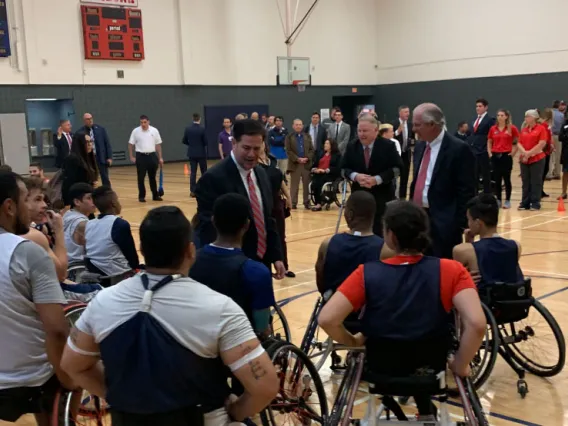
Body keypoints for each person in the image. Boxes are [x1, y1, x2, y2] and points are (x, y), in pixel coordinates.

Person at [60, 206, 279, 425]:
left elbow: (72, 364)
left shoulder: (103, 301)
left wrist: (122, 399)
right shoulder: (220, 308)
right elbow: (265, 387)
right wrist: (235, 413)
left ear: (142, 250)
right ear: (191, 251)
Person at [318, 200, 486, 420]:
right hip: (430, 367)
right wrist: (461, 364)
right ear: (424, 232)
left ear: (390, 236)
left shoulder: (366, 273)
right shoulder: (451, 270)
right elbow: (477, 324)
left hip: (379, 368)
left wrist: (353, 342)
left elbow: (327, 319)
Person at [0, 171, 73, 426]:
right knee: (75, 369)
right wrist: (69, 376)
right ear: (10, 207)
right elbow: (56, 330)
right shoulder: (27, 251)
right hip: (29, 378)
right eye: (24, 200)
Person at [195, 119, 286, 279]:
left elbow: (267, 219)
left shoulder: (262, 174)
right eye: (246, 148)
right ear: (234, 143)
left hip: (260, 265)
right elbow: (208, 228)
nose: (252, 154)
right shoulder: (213, 179)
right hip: (229, 270)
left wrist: (276, 256)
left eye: (256, 148)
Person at [190, 193, 276, 335]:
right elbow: (262, 328)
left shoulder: (190, 260)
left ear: (213, 221)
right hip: (239, 346)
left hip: (197, 340)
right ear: (247, 225)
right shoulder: (256, 271)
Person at [410, 103, 476, 259]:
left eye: (417, 125)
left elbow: (466, 190)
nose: (414, 129)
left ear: (432, 124)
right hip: (418, 219)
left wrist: (459, 225)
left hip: (444, 223)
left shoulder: (458, 149)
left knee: (443, 269)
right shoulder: (420, 147)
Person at [315, 191, 393, 295]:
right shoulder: (386, 250)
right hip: (369, 309)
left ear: (350, 214)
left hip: (333, 306)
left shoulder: (328, 243)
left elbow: (321, 280)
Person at [341, 114, 402, 237]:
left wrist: (378, 179)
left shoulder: (388, 146)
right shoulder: (352, 146)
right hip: (359, 199)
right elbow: (342, 169)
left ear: (375, 130)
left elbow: (398, 168)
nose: (361, 134)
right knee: (359, 235)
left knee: (380, 235)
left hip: (382, 198)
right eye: (359, 130)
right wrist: (355, 176)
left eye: (365, 131)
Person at [453, 194, 523, 291]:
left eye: (469, 219)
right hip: (511, 303)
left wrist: (467, 243)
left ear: (478, 223)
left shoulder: (461, 250)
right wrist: (469, 243)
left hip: (482, 303)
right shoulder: (516, 246)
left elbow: (455, 283)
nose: (468, 223)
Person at [258, 139, 294, 277]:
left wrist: (288, 198)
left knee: (280, 235)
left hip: (277, 202)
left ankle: (284, 266)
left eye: (261, 143)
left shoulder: (272, 160)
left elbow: (281, 180)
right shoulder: (254, 164)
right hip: (263, 202)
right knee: (266, 235)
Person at [84, 186, 139, 278]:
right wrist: (136, 268)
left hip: (93, 270)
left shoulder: (89, 223)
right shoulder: (119, 224)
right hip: (115, 273)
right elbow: (131, 256)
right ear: (113, 203)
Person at [487, 109, 519, 209]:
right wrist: (489, 153)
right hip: (495, 156)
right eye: (498, 115)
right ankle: (498, 199)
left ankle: (508, 200)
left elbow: (518, 141)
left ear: (506, 117)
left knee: (506, 179)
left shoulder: (512, 128)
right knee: (497, 179)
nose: (499, 117)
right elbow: (489, 141)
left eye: (502, 115)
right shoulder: (493, 128)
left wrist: (513, 152)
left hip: (506, 156)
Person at [128, 115, 164, 203]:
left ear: (148, 122)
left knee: (152, 177)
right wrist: (131, 156)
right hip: (141, 156)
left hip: (152, 156)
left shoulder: (154, 131)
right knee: (141, 178)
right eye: (141, 122)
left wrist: (160, 158)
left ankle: (155, 195)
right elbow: (130, 144)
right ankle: (141, 196)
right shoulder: (135, 131)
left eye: (145, 122)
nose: (143, 124)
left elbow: (158, 145)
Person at [517, 109, 547, 211]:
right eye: (525, 116)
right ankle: (524, 202)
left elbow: (542, 143)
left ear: (534, 117)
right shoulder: (524, 129)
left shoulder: (541, 129)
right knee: (525, 181)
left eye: (528, 116)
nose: (526, 118)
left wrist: (529, 153)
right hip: (524, 159)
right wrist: (524, 153)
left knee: (536, 181)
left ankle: (535, 203)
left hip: (537, 158)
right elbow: (519, 142)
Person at [62, 132, 99, 207]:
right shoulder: (73, 159)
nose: (89, 145)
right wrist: (67, 203)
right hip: (78, 200)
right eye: (86, 142)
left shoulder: (89, 158)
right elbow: (68, 183)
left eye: (90, 142)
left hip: (87, 198)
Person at [285, 118, 315, 209]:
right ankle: (293, 203)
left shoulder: (307, 136)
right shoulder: (289, 137)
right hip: (295, 164)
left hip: (306, 164)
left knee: (307, 184)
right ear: (293, 126)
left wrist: (307, 158)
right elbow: (288, 151)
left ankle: (307, 202)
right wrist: (297, 159)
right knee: (294, 185)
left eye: (300, 124)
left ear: (302, 126)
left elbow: (311, 149)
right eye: (296, 124)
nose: (298, 126)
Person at [467, 98, 496, 194]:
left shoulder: (490, 120)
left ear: (486, 107)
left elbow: (492, 136)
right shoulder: (474, 120)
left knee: (485, 174)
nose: (477, 108)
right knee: (474, 174)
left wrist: (489, 150)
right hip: (474, 150)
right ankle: (475, 194)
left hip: (483, 150)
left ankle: (488, 194)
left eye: (480, 106)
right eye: (477, 106)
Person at [77, 113, 113, 187]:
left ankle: (107, 191)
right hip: (89, 159)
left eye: (91, 118)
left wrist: (109, 157)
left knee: (105, 177)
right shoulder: (80, 132)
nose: (90, 120)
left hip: (100, 157)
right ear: (84, 120)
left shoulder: (100, 129)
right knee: (90, 177)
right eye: (88, 119)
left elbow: (107, 144)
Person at [63, 183, 95, 265]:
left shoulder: (68, 214)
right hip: (77, 269)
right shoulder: (82, 224)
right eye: (89, 198)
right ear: (77, 202)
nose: (94, 201)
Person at [311, 138, 341, 211]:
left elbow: (338, 167)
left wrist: (325, 171)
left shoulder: (337, 155)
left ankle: (319, 203)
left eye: (327, 143)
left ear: (332, 145)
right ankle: (319, 201)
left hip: (330, 174)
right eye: (325, 143)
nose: (325, 145)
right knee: (314, 183)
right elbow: (315, 164)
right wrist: (315, 170)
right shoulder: (321, 153)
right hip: (319, 173)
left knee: (318, 182)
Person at [183, 113, 209, 198]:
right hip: (201, 153)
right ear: (199, 119)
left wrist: (191, 145)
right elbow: (205, 142)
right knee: (204, 172)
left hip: (192, 153)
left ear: (192, 118)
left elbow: (184, 140)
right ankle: (204, 189)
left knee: (193, 173)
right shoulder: (202, 129)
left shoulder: (188, 129)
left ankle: (193, 191)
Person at [391, 105, 413, 199]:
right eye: (405, 112)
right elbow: (389, 137)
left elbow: (412, 137)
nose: (407, 114)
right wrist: (397, 132)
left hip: (406, 153)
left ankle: (402, 197)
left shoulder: (410, 124)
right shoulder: (394, 123)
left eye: (408, 112)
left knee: (405, 176)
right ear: (400, 113)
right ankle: (393, 196)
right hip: (396, 154)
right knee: (395, 176)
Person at [540, 108, 554, 198]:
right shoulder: (544, 125)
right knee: (542, 171)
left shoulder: (547, 125)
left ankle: (540, 190)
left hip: (547, 150)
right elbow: (545, 138)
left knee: (544, 171)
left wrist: (551, 144)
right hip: (544, 151)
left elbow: (549, 137)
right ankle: (539, 190)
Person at [558, 117, 568, 200]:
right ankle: (564, 192)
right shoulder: (565, 124)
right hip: (566, 152)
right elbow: (560, 137)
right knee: (565, 172)